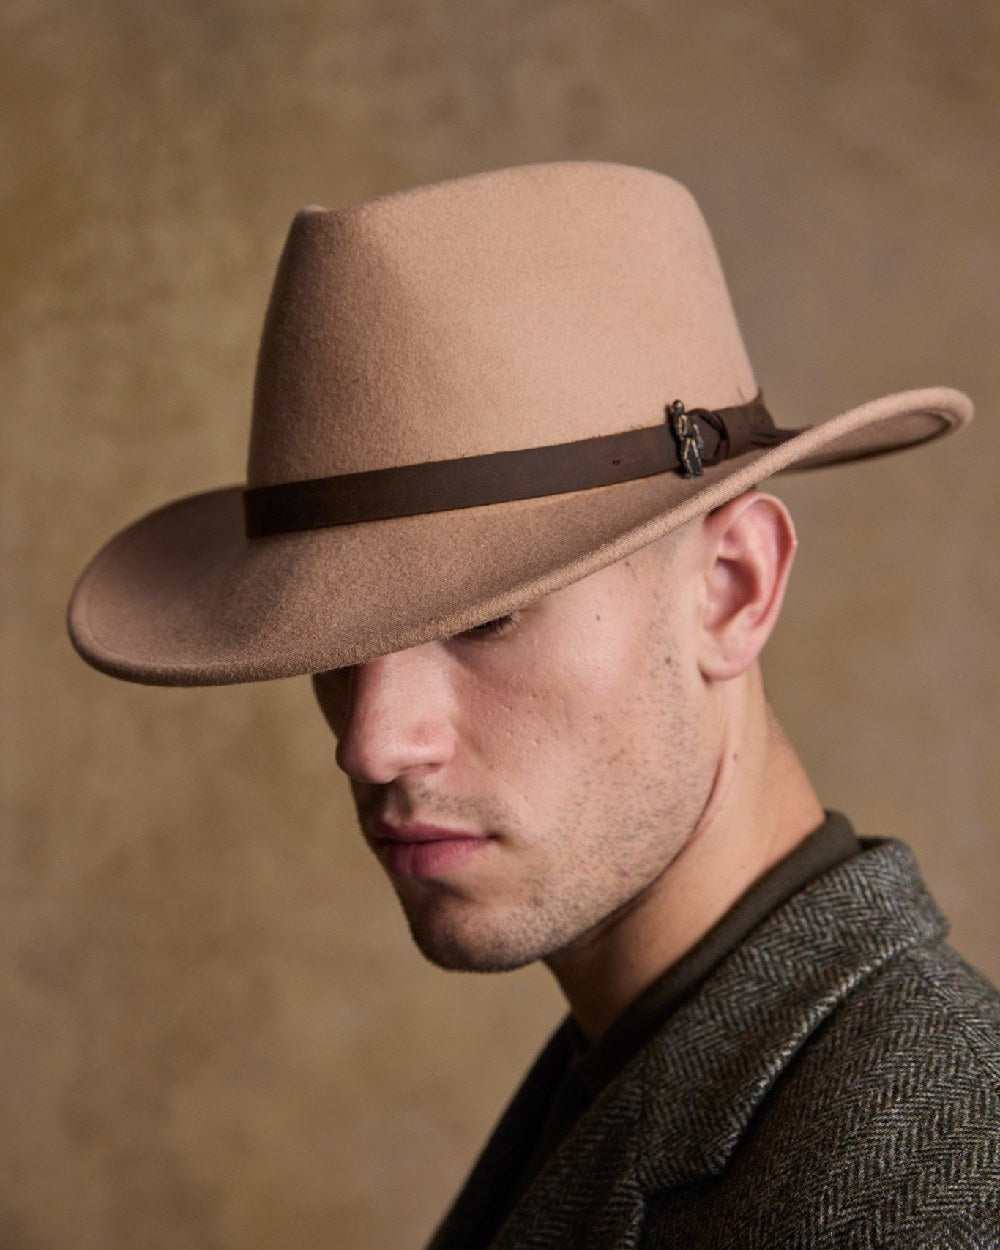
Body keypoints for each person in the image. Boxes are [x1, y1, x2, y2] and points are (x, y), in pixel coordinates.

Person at [69, 162, 999, 1248]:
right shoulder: (641, 1074)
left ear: (730, 587)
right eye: (334, 644)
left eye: (490, 617)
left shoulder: (930, 1186)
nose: (371, 743)